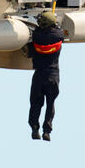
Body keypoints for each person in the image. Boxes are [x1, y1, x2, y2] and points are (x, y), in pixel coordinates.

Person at [28, 11, 65, 141]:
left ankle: (34, 127)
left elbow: (31, 46)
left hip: (39, 74)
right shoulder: (58, 35)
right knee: (50, 103)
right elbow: (60, 32)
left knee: (36, 104)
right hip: (53, 75)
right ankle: (47, 131)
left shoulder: (36, 36)